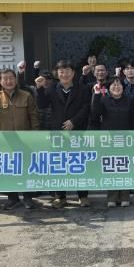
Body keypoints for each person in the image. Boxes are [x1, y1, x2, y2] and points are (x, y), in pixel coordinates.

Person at [35, 60, 92, 208]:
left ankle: (83, 196)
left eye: (67, 71)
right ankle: (60, 196)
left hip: (77, 131)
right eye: (61, 71)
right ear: (57, 73)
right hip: (58, 132)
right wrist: (39, 89)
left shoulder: (83, 88)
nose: (64, 74)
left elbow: (86, 108)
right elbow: (42, 104)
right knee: (59, 164)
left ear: (73, 73)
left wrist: (74, 121)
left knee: (79, 164)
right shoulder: (52, 88)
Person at [0, 67, 40, 210]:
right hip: (5, 141)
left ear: (15, 79)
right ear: (0, 81)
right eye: (5, 79)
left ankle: (28, 198)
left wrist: (35, 135)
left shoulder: (26, 96)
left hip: (24, 139)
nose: (8, 81)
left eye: (11, 78)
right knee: (10, 170)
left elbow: (34, 116)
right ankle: (13, 198)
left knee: (26, 169)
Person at [92, 77, 134, 207]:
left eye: (119, 85)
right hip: (109, 140)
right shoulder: (103, 100)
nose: (116, 87)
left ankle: (124, 196)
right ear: (108, 88)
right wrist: (96, 94)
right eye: (113, 85)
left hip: (126, 139)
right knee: (112, 168)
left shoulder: (130, 100)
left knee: (125, 168)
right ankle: (111, 197)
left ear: (123, 88)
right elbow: (95, 113)